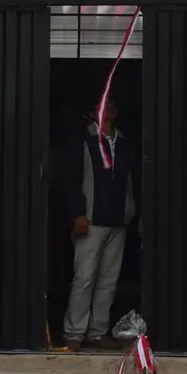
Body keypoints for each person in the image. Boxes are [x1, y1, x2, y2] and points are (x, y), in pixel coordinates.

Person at [63, 98, 137, 351]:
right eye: (103, 103)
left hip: (118, 220)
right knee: (84, 278)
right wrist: (78, 214)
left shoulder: (124, 141)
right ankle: (74, 333)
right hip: (91, 220)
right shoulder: (82, 140)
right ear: (92, 112)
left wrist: (132, 212)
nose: (109, 107)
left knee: (108, 280)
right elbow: (71, 179)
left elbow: (131, 180)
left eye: (113, 103)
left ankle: (97, 332)